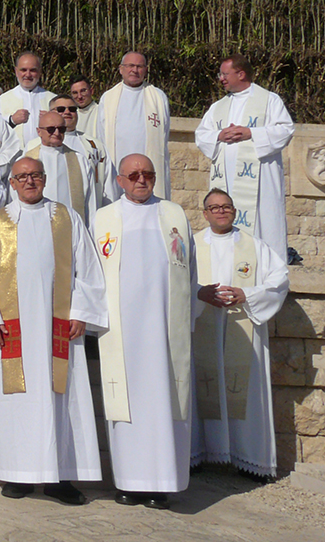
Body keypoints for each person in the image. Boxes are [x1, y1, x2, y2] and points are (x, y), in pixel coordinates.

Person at [0, 156, 106, 505]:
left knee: (60, 400)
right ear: (12, 184)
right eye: (22, 177)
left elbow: (87, 270)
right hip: (11, 332)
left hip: (58, 329)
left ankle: (59, 478)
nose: (29, 181)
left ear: (44, 179)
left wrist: (81, 312)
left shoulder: (66, 218)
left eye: (35, 175)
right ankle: (16, 474)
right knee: (14, 402)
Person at [93, 153, 198, 510]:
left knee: (164, 401)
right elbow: (91, 272)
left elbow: (190, 270)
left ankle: (162, 484)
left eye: (148, 174)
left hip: (166, 329)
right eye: (134, 174)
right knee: (127, 405)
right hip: (121, 330)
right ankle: (129, 483)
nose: (142, 180)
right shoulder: (104, 218)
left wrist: (186, 315)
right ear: (120, 181)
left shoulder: (174, 214)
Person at [191, 188, 289, 482]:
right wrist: (199, 294)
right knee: (200, 386)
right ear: (205, 213)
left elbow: (279, 280)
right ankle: (199, 454)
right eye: (214, 207)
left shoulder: (255, 246)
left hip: (244, 327)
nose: (221, 211)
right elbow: (177, 281)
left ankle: (250, 459)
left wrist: (247, 294)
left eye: (226, 207)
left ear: (234, 211)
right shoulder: (192, 245)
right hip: (203, 326)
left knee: (246, 393)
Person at [195, 55, 294, 257]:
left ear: (241, 74)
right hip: (227, 181)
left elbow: (285, 130)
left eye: (225, 74)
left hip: (261, 182)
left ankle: (266, 269)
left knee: (262, 225)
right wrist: (219, 136)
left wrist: (251, 133)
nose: (221, 78)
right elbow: (201, 135)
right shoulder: (218, 107)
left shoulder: (269, 100)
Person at [97, 52, 171, 200]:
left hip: (148, 163)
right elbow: (101, 136)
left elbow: (164, 134)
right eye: (130, 65)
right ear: (121, 69)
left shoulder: (158, 97)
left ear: (146, 70)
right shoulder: (108, 97)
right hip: (116, 164)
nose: (134, 70)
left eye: (139, 66)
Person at [21, 110, 98, 228]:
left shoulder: (79, 160)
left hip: (71, 228)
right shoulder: (26, 161)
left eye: (61, 129)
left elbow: (90, 202)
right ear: (39, 131)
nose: (57, 133)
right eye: (51, 129)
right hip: (36, 226)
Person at [53, 94, 110, 203]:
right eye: (61, 109)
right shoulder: (35, 146)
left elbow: (109, 186)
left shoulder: (94, 146)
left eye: (72, 109)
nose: (67, 112)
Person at [0, 52, 56, 146]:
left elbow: (69, 128)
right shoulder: (2, 100)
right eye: (23, 70)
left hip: (44, 153)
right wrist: (11, 120)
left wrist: (52, 120)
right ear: (16, 71)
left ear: (40, 72)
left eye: (33, 70)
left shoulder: (53, 99)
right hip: (14, 153)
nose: (28, 74)